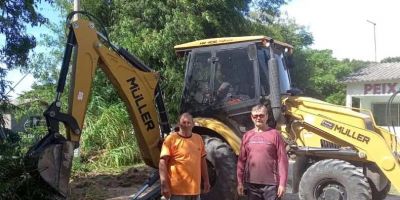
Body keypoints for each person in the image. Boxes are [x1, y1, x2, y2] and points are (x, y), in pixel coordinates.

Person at [237, 104, 289, 200]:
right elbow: (241, 161)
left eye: (261, 115)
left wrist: (282, 184)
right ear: (251, 117)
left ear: (267, 116)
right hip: (251, 184)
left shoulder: (275, 134)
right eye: (255, 116)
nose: (258, 118)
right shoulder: (247, 136)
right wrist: (240, 182)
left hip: (271, 185)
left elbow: (282, 161)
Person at [159, 113, 210, 200]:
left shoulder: (198, 139)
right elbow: (162, 162)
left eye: (188, 123)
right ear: (179, 124)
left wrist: (206, 181)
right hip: (177, 192)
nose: (186, 125)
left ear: (193, 125)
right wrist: (164, 184)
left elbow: (202, 162)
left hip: (195, 190)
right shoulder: (171, 139)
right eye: (184, 122)